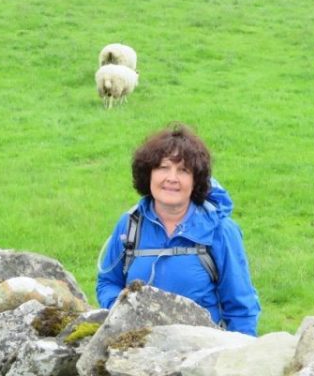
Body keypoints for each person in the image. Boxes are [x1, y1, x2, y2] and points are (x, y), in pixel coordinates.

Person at [96, 123, 260, 335]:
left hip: (202, 349)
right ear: (148, 174)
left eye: (183, 170)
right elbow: (108, 282)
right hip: (138, 345)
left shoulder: (220, 230)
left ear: (196, 180)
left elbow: (241, 308)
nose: (171, 178)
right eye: (163, 167)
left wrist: (243, 351)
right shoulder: (129, 225)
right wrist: (121, 313)